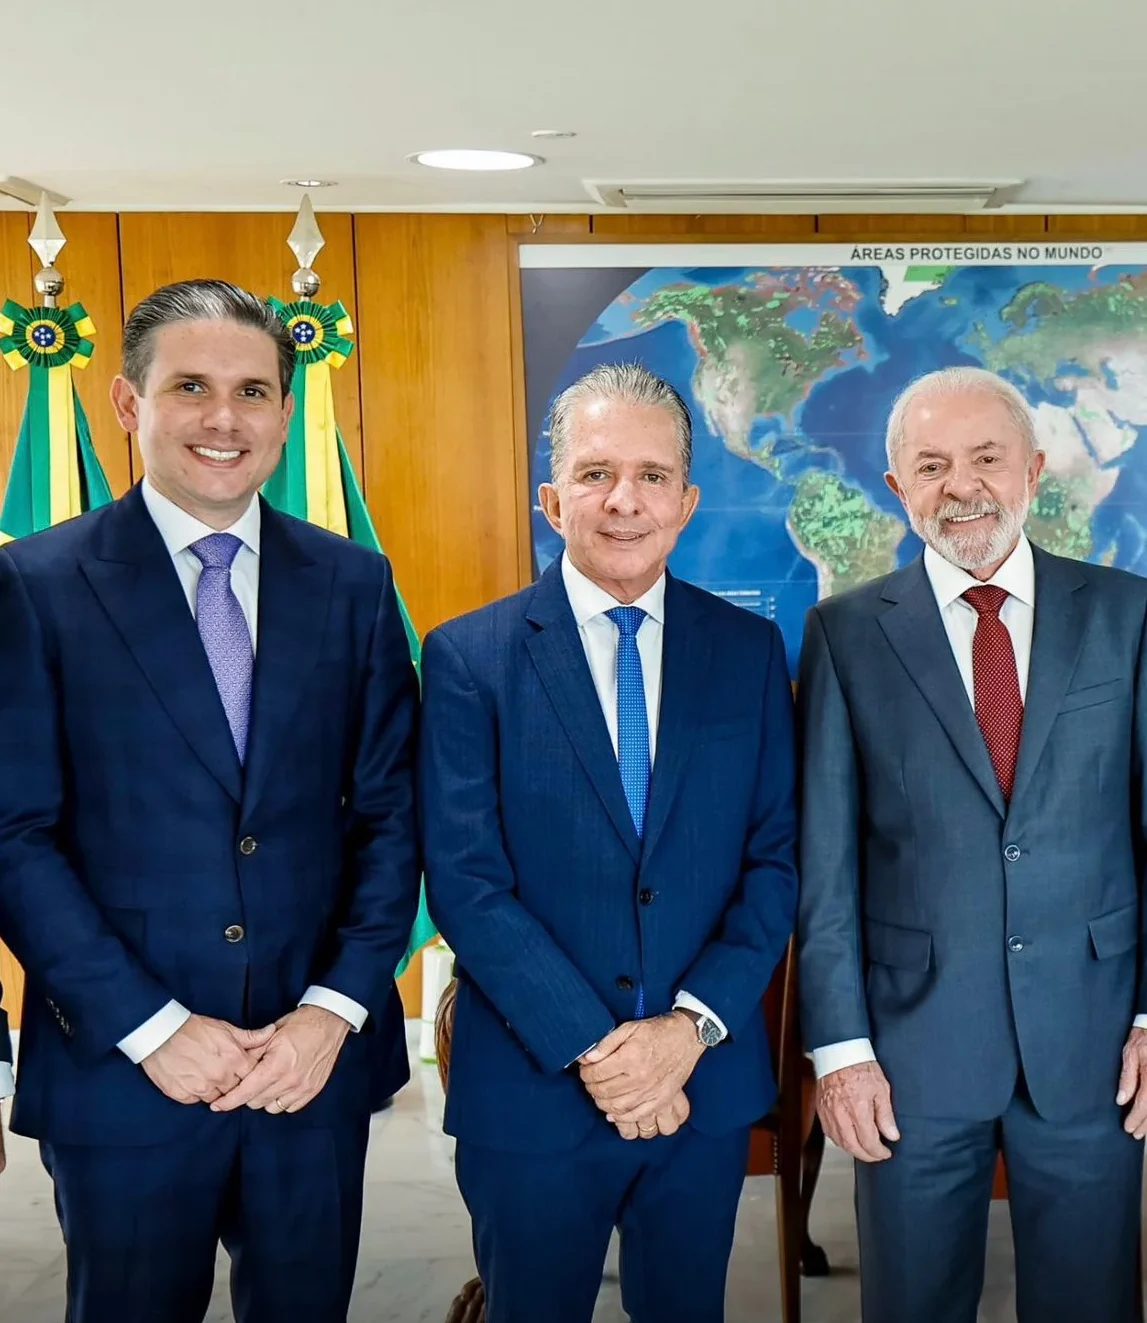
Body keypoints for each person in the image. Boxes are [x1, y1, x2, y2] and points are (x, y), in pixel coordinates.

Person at [0, 279, 420, 1323]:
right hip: (125, 1065)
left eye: (253, 390)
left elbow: (393, 816)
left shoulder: (356, 585)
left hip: (308, 1065)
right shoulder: (34, 585)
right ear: (127, 404)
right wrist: (149, 1027)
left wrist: (331, 1014)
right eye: (190, 386)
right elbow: (12, 833)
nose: (224, 418)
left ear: (286, 412)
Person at [418, 362, 798, 1323]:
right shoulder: (470, 657)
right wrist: (601, 1050)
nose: (623, 500)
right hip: (534, 1087)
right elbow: (466, 880)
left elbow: (773, 862)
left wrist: (686, 1030)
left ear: (686, 498)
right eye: (593, 474)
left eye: (651, 475)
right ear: (551, 499)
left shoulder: (747, 654)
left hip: (699, 1086)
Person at [798, 365, 1147, 1323]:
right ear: (895, 486)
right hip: (909, 1056)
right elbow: (823, 863)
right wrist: (839, 1051)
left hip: (1095, 1046)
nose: (962, 486)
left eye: (986, 458)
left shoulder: (1128, 615)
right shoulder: (841, 636)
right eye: (932, 464)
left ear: (1032, 471)